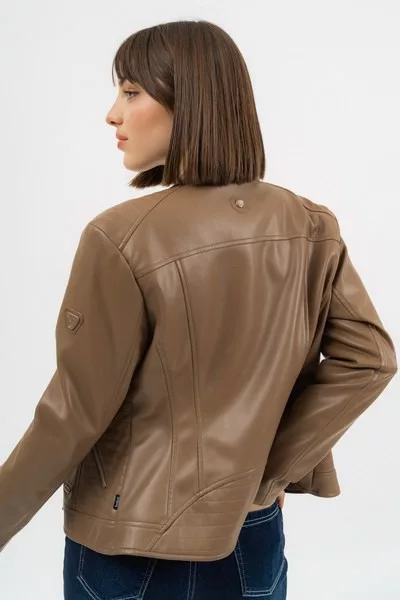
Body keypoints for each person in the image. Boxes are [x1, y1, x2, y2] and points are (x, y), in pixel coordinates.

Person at [0, 19, 397, 600]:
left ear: (187, 101)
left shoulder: (120, 237)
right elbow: (371, 360)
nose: (112, 114)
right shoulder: (311, 225)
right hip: (252, 535)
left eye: (131, 92)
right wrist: (269, 472)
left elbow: (73, 414)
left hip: (131, 544)